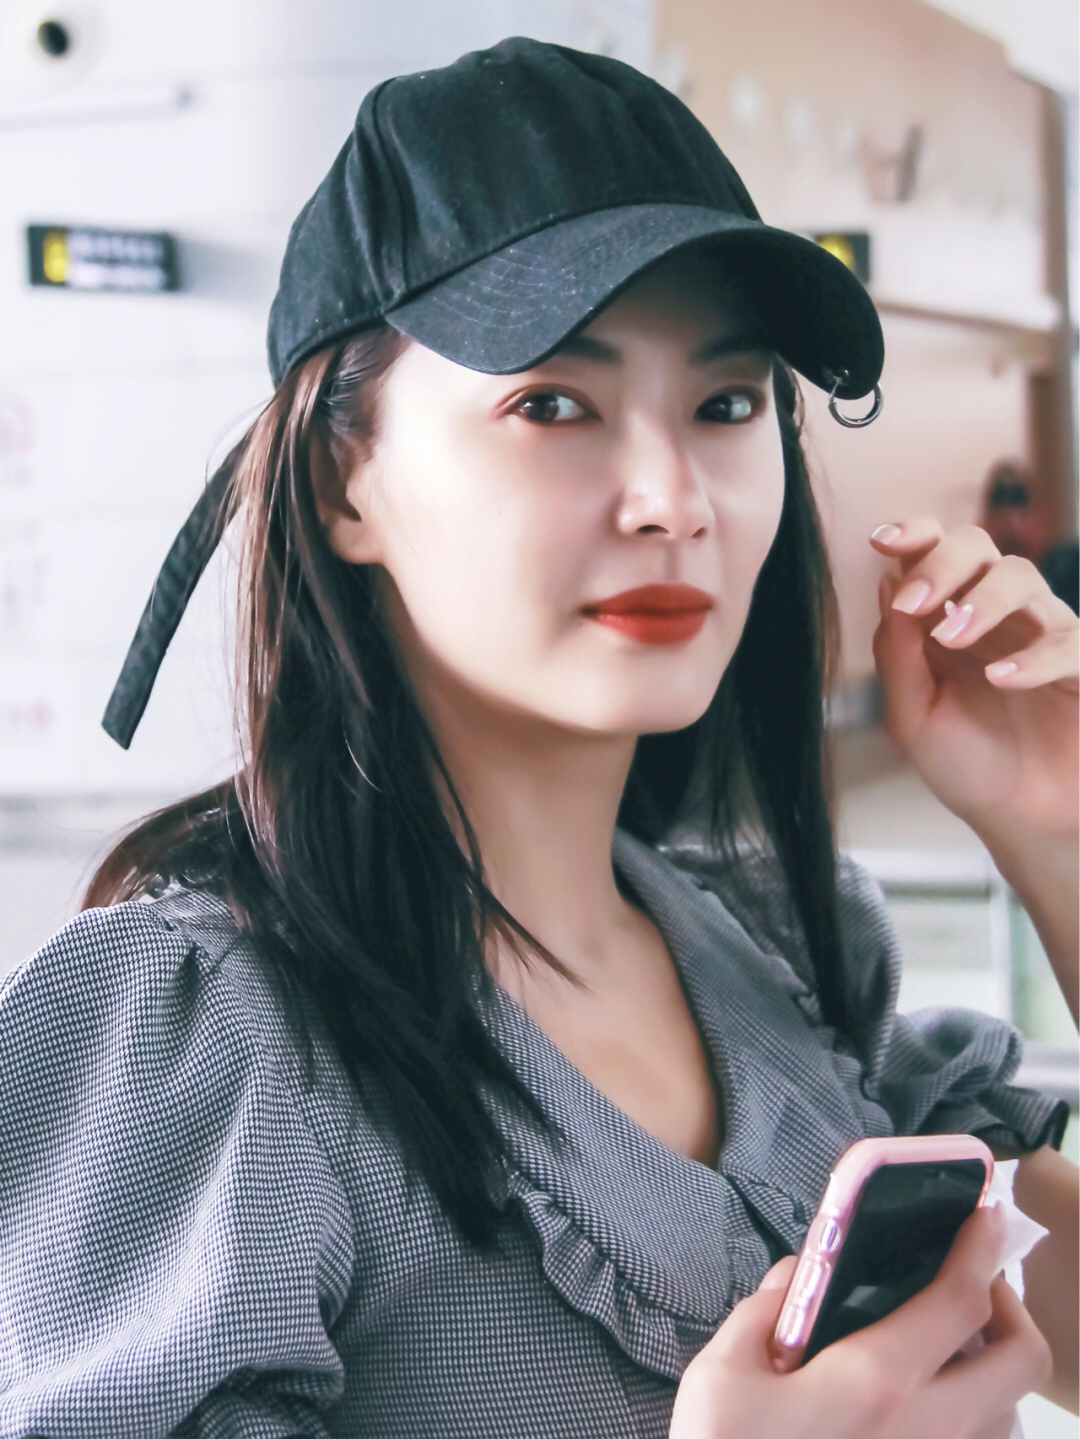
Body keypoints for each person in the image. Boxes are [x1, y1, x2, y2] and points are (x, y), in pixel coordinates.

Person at [1, 37, 1076, 1439]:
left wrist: (1055, 830)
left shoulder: (786, 952)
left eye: (727, 404)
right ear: (342, 485)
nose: (673, 497)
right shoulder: (211, 1033)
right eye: (553, 404)